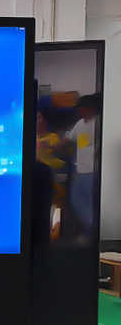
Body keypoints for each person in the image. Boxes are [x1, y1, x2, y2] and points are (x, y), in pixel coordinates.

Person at [66, 94, 101, 236]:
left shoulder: (99, 122)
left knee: (89, 203)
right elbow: (72, 140)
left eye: (81, 108)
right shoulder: (80, 123)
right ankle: (92, 231)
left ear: (89, 108)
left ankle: (93, 233)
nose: (79, 111)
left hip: (92, 172)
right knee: (76, 201)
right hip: (79, 170)